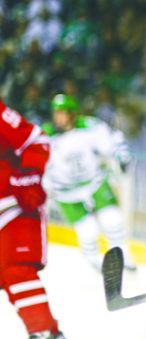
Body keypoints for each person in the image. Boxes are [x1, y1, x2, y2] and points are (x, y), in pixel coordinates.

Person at [42, 94, 136, 272]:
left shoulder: (90, 127)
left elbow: (113, 139)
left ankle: (123, 254)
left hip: (93, 181)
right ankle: (94, 260)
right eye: (56, 113)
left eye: (63, 113)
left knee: (112, 219)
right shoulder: (46, 135)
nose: (58, 117)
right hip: (65, 191)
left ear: (72, 114)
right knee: (88, 230)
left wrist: (121, 155)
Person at [0, 100, 64, 338]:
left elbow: (36, 141)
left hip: (11, 203)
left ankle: (44, 332)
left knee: (16, 270)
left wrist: (29, 175)